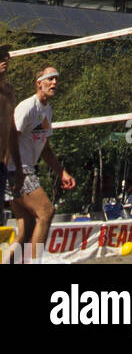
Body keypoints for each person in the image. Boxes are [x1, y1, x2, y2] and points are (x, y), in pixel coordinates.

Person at [8, 64, 75, 258]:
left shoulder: (47, 110)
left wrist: (61, 172)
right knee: (46, 211)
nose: (54, 82)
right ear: (39, 83)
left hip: (24, 170)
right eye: (50, 78)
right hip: (17, 170)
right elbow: (9, 137)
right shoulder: (27, 107)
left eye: (56, 79)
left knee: (26, 231)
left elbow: (45, 148)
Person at [0, 44, 22, 208]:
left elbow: (11, 130)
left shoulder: (9, 91)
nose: (4, 60)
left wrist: (16, 165)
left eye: (5, 56)